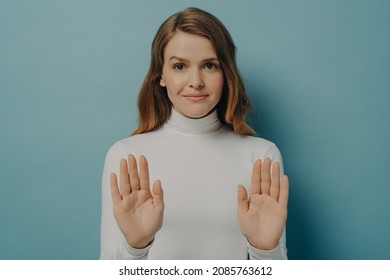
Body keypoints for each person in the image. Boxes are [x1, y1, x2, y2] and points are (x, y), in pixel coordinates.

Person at [100, 7, 289, 260]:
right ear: (161, 76)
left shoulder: (261, 156)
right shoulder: (127, 155)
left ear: (226, 75)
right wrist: (135, 246)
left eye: (210, 65)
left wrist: (266, 250)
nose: (196, 81)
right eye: (180, 66)